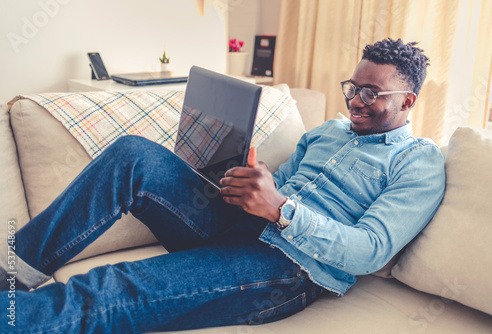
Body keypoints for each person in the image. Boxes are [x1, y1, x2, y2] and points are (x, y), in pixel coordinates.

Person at [0, 38, 445, 333]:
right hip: (242, 223)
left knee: (112, 287)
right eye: (352, 86)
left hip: (288, 270)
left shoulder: (418, 163)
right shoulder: (327, 131)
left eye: (371, 93)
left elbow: (370, 250)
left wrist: (280, 210)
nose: (354, 100)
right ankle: (10, 271)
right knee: (133, 154)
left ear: (407, 100)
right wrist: (254, 183)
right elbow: (282, 185)